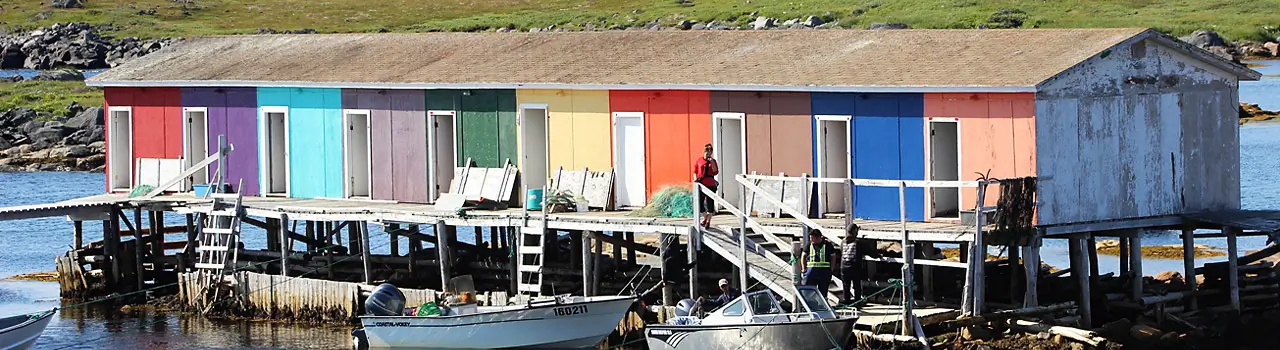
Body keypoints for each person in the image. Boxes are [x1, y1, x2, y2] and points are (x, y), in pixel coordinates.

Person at [839, 223, 877, 306]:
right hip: (854, 267)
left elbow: (841, 251)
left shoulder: (842, 242)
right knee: (857, 286)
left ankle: (847, 301)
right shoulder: (858, 242)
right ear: (855, 231)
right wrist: (878, 255)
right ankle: (857, 302)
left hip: (844, 266)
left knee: (846, 286)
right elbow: (870, 252)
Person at [801, 230, 838, 298]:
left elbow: (833, 256)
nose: (811, 240)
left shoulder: (828, 245)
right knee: (808, 291)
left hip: (824, 273)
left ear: (818, 237)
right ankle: (811, 303)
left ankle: (822, 303)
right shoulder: (809, 245)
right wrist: (803, 269)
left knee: (823, 292)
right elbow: (803, 256)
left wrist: (831, 269)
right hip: (811, 273)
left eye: (812, 238)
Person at [693, 143, 719, 228]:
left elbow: (715, 172)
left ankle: (708, 221)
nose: (708, 154)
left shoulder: (713, 161)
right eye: (707, 153)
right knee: (700, 203)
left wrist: (712, 162)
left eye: (710, 153)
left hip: (710, 184)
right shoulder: (699, 160)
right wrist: (695, 179)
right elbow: (695, 171)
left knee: (710, 204)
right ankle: (705, 217)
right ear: (704, 152)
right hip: (701, 183)